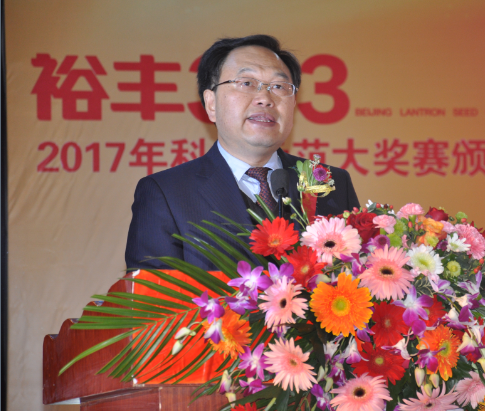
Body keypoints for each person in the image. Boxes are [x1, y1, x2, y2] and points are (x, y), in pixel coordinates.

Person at [125, 35, 360, 271]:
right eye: (247, 83)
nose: (265, 99)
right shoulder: (166, 193)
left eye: (279, 87)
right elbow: (154, 291)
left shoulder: (332, 183)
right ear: (211, 103)